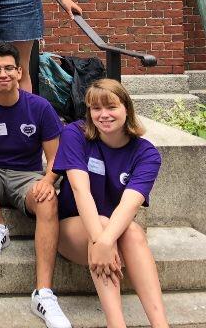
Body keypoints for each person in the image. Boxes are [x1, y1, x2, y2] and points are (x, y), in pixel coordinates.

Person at [0, 41, 71, 328]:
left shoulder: (39, 107)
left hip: (27, 177)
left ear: (20, 72)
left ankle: (43, 294)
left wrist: (48, 181)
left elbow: (55, 156)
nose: (3, 74)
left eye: (9, 68)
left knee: (49, 201)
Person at [54, 79, 167, 328]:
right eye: (96, 109)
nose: (103, 115)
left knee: (135, 232)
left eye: (111, 107)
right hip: (71, 231)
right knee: (104, 224)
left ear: (127, 109)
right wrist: (100, 240)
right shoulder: (75, 133)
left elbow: (130, 204)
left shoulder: (146, 154)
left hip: (115, 237)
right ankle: (116, 324)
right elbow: (79, 189)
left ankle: (161, 325)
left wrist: (105, 241)